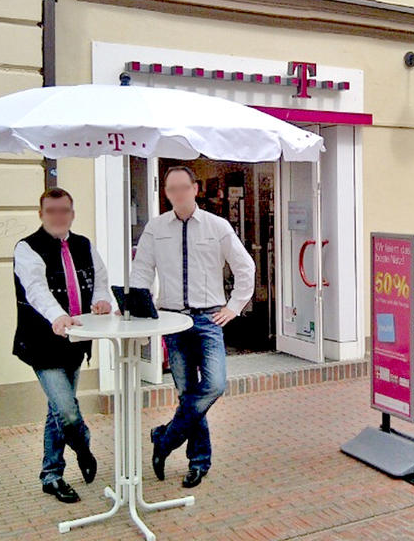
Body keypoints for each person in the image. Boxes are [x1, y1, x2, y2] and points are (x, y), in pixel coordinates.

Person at [130, 165, 255, 488]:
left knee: (214, 385)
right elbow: (141, 271)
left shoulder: (217, 226)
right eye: (171, 190)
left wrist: (234, 306)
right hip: (173, 319)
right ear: (166, 193)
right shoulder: (156, 229)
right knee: (187, 393)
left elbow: (245, 267)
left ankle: (165, 438)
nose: (178, 194)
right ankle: (199, 461)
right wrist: (142, 312)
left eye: (183, 188)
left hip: (209, 318)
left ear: (195, 189)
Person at [13, 188, 112, 503]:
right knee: (67, 412)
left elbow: (101, 281)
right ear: (41, 213)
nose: (58, 216)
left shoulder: (84, 244)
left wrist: (101, 302)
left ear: (72, 212)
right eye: (52, 210)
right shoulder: (27, 248)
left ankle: (51, 475)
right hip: (42, 344)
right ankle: (83, 449)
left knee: (57, 409)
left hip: (75, 343)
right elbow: (36, 290)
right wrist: (58, 316)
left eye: (64, 210)